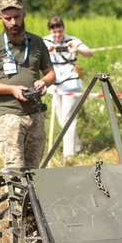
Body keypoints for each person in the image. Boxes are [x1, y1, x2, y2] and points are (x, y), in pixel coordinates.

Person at [0, 0, 55, 169]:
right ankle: (15, 198)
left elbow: (50, 74)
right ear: (1, 19)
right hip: (10, 115)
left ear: (24, 14)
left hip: (36, 114)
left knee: (34, 171)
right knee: (15, 170)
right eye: (8, 18)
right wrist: (12, 90)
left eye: (17, 17)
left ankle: (29, 198)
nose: (13, 22)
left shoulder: (37, 42)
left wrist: (43, 82)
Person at [43, 16, 93, 161]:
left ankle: (68, 155)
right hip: (54, 84)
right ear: (49, 31)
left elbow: (89, 53)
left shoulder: (72, 40)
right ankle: (78, 147)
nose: (58, 35)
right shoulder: (45, 41)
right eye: (54, 32)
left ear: (63, 29)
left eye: (60, 31)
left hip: (71, 83)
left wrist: (77, 49)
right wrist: (48, 51)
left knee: (68, 119)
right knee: (61, 120)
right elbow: (34, 56)